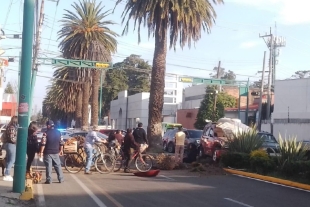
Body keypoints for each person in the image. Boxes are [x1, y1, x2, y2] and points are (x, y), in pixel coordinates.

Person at [2, 116, 18, 181]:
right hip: (11, 145)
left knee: (9, 160)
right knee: (12, 160)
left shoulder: (8, 126)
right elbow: (12, 138)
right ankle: (7, 174)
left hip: (7, 144)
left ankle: (7, 173)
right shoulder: (12, 127)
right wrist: (17, 141)